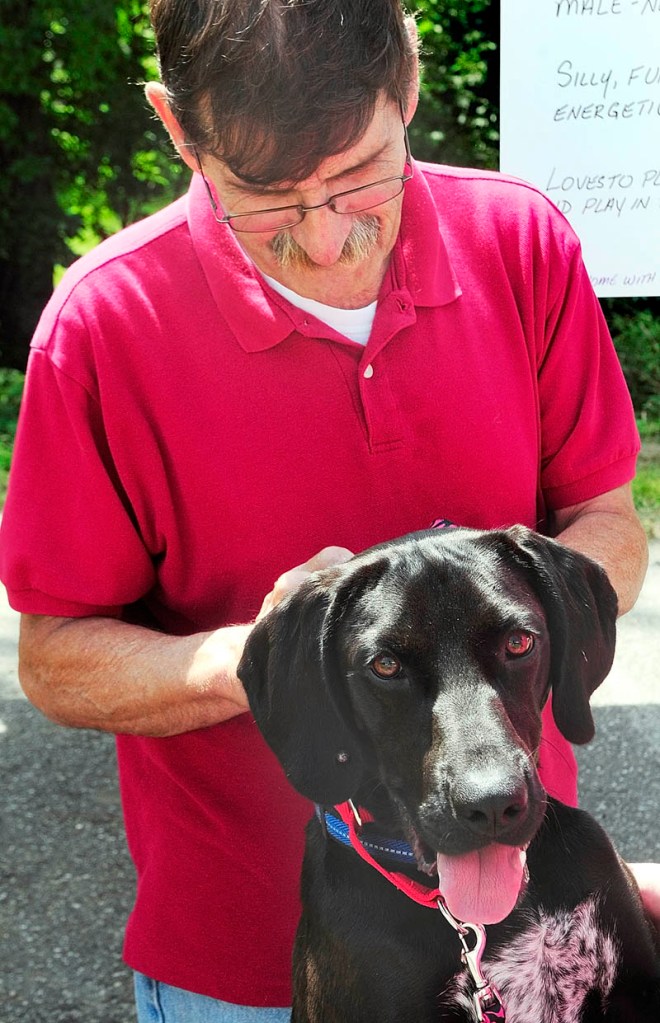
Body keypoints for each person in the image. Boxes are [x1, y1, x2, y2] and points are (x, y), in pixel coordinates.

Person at [0, 1, 657, 1020]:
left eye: (361, 175)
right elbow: (53, 655)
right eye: (265, 196)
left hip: (532, 915)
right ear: (177, 127)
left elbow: (607, 526)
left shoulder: (520, 243)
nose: (325, 235)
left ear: (410, 85)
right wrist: (266, 657)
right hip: (247, 963)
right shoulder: (103, 327)